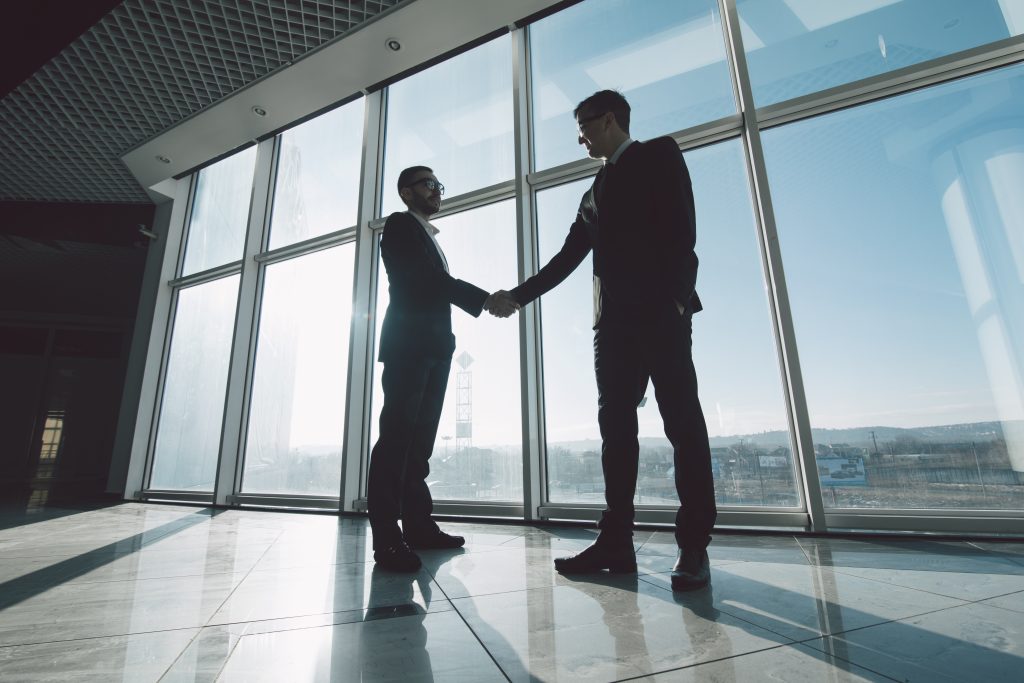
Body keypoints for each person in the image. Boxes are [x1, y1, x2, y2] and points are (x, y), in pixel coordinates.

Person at [489, 90, 716, 590]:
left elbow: (684, 229)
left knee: (682, 424)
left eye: (584, 126)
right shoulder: (591, 193)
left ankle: (693, 545)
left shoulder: (659, 154)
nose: (581, 137)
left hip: (661, 314)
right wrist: (518, 296)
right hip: (612, 328)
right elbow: (567, 258)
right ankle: (616, 542)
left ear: (609, 119)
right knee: (616, 432)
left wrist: (677, 301)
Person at [369, 165, 517, 572]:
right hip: (409, 347)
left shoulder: (428, 237)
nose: (437, 191)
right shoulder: (400, 225)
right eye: (428, 184)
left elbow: (434, 282)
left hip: (433, 348)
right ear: (405, 192)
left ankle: (419, 527)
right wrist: (485, 299)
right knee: (396, 442)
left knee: (419, 445)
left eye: (439, 185)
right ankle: (387, 539)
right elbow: (427, 280)